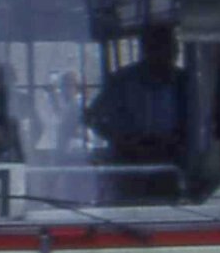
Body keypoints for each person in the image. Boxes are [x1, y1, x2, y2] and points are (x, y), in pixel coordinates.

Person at [82, 22, 191, 167]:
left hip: (175, 164)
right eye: (159, 47)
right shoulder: (122, 82)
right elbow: (93, 117)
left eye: (172, 48)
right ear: (146, 50)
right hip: (129, 165)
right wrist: (123, 140)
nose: (168, 54)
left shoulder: (186, 83)